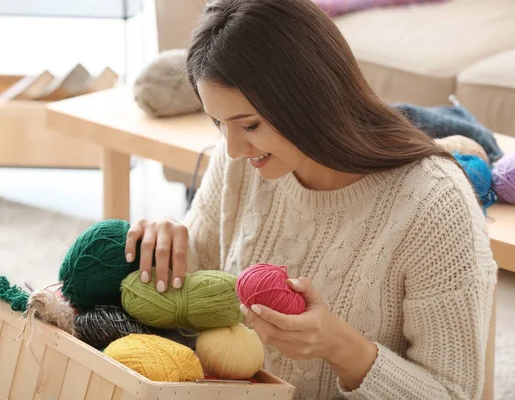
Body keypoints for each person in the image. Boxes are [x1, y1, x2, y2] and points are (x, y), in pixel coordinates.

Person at [123, 0, 497, 399]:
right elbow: (193, 294)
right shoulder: (243, 162)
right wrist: (164, 245)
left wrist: (342, 348)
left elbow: (455, 393)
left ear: (309, 98)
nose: (231, 149)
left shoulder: (434, 204)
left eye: (249, 124)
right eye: (219, 123)